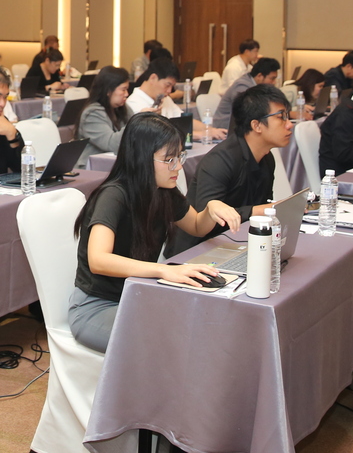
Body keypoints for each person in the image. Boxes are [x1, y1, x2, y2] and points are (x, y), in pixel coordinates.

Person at [67, 113, 240, 353]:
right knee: (171, 340)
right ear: (142, 159)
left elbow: (197, 226)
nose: (178, 166)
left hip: (137, 296)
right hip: (96, 307)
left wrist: (211, 208)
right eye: (169, 159)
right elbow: (99, 260)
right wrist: (163, 270)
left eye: (179, 157)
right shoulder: (114, 195)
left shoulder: (163, 191)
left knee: (199, 322)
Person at [170, 84, 293, 255]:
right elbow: (209, 215)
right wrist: (259, 210)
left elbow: (261, 204)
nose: (289, 125)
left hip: (237, 242)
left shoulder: (266, 158)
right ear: (256, 125)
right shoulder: (220, 161)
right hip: (197, 250)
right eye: (281, 117)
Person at [126, 57, 222, 140]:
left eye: (172, 86)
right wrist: (201, 134)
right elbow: (159, 135)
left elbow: (184, 120)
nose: (169, 91)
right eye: (167, 85)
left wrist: (211, 130)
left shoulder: (164, 98)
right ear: (153, 78)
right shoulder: (133, 103)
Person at [75, 67, 131, 165]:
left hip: (114, 164)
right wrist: (136, 122)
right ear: (108, 90)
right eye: (123, 89)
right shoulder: (92, 114)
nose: (127, 94)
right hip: (93, 168)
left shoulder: (120, 108)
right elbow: (112, 144)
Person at [210, 57, 280, 130]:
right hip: (224, 128)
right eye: (272, 78)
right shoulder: (242, 86)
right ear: (259, 76)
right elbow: (247, 111)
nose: (274, 82)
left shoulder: (256, 85)